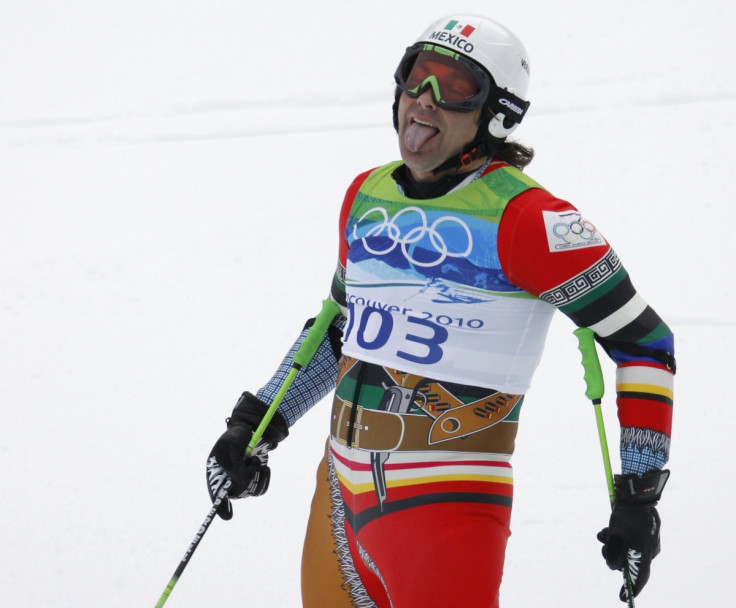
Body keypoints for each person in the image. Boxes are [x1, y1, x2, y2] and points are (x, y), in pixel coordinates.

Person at [205, 15, 675, 608]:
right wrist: (257, 422)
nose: (423, 102)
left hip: (446, 507)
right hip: (338, 499)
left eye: (454, 89)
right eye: (415, 78)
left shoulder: (533, 221)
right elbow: (340, 328)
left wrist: (638, 496)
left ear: (496, 113)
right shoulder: (366, 194)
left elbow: (647, 343)